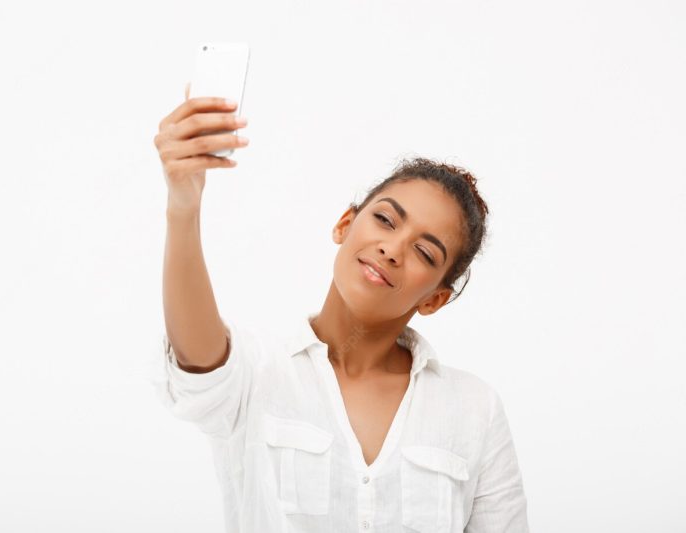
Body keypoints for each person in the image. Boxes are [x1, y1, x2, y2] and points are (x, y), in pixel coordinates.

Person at [150, 83, 530, 532]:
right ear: (345, 225)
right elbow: (198, 360)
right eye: (385, 220)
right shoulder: (258, 372)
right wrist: (183, 203)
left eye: (425, 253)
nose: (392, 249)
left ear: (435, 298)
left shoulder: (473, 409)